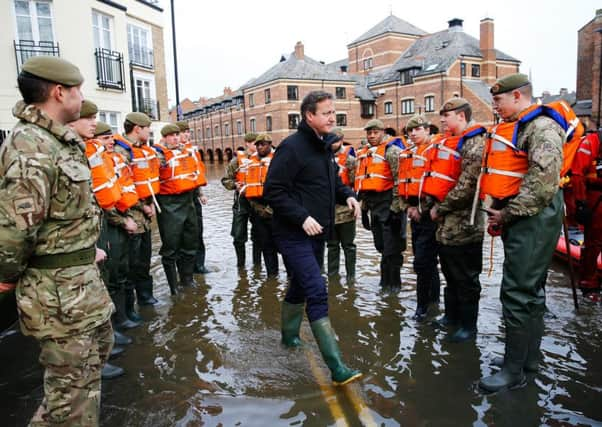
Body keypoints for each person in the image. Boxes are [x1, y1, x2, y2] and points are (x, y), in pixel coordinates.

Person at [0, 56, 114, 425]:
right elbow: (15, 232)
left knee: (80, 383)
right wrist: (9, 277)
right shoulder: (30, 145)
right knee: (72, 398)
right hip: (60, 299)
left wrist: (83, 250)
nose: (83, 99)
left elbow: (62, 214)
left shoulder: (58, 140)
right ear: (59, 92)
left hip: (80, 288)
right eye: (79, 90)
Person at [264, 90, 362, 386]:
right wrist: (302, 216)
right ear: (309, 116)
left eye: (334, 112)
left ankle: (289, 337)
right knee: (317, 288)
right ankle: (337, 369)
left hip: (317, 232)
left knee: (302, 285)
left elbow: (332, 182)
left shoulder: (323, 147)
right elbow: (273, 192)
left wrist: (349, 196)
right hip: (293, 233)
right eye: (326, 113)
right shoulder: (292, 148)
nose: (332, 117)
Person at [477, 74, 564, 393]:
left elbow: (542, 183)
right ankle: (528, 360)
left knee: (517, 291)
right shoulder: (523, 126)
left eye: (498, 100)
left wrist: (506, 213)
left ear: (517, 96)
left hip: (532, 217)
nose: (495, 106)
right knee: (530, 290)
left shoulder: (539, 127)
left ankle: (513, 371)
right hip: (525, 215)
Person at [68, 101, 128, 378]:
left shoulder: (83, 152)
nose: (95, 123)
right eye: (89, 118)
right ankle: (90, 364)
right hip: (70, 248)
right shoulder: (68, 153)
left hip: (91, 232)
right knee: (79, 308)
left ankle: (99, 354)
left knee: (96, 297)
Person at [428, 98, 486, 342]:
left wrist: (440, 208)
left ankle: (468, 327)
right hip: (447, 226)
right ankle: (451, 317)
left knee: (466, 278)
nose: (442, 120)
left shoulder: (475, 144)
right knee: (450, 274)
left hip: (466, 224)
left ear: (461, 116)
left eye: (447, 115)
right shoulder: (451, 142)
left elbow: (467, 187)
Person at [94, 121, 139, 346]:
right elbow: (103, 202)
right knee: (109, 276)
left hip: (118, 223)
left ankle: (120, 320)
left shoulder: (109, 162)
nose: (110, 142)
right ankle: (112, 328)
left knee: (121, 271)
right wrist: (123, 221)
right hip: (106, 227)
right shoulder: (94, 162)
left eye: (111, 138)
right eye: (104, 139)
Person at [114, 112, 160, 312]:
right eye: (148, 127)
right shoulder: (121, 152)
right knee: (130, 265)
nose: (150, 131)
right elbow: (123, 187)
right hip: (131, 216)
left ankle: (145, 297)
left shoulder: (143, 150)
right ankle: (129, 310)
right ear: (137, 128)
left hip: (145, 217)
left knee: (143, 260)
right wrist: (144, 206)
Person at [398, 115, 441, 320]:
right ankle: (433, 300)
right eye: (410, 130)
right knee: (424, 261)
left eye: (417, 129)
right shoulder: (407, 154)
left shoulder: (437, 151)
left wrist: (420, 208)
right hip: (415, 215)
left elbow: (439, 185)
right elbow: (403, 184)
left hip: (431, 215)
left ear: (427, 130)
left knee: (423, 262)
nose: (413, 133)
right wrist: (408, 206)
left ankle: (423, 306)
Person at [355, 119, 405, 291]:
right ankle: (385, 283)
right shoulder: (366, 154)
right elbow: (365, 185)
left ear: (382, 132)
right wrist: (363, 210)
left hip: (389, 203)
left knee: (392, 248)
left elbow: (400, 180)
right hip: (373, 205)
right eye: (369, 133)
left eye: (375, 132)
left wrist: (396, 209)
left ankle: (393, 285)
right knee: (381, 246)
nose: (372, 136)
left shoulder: (392, 152)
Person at [153, 124, 199, 293]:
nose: (175, 138)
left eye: (177, 135)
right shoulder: (158, 154)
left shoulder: (185, 152)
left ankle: (187, 279)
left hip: (188, 201)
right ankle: (173, 288)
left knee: (190, 242)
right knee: (171, 246)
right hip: (169, 204)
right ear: (164, 138)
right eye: (171, 136)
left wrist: (199, 193)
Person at [221, 133, 261, 268]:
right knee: (238, 236)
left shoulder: (264, 160)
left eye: (259, 143)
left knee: (259, 235)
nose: (256, 146)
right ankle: (241, 266)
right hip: (241, 201)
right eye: (253, 143)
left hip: (258, 202)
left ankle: (257, 265)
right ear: (247, 144)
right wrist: (235, 185)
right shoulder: (236, 161)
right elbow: (226, 180)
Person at [572, 125, 602, 302]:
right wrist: (581, 203)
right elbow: (577, 174)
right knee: (594, 242)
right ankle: (588, 283)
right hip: (594, 196)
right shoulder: (591, 142)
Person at [243, 133, 279, 277]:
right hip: (258, 210)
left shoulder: (279, 161)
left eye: (263, 144)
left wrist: (271, 209)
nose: (259, 147)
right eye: (257, 144)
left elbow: (287, 188)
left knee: (283, 244)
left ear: (270, 145)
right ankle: (272, 276)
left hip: (277, 210)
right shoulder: (250, 162)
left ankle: (290, 276)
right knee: (266, 245)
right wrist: (258, 208)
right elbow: (247, 187)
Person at [177, 120, 210, 274]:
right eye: (183, 132)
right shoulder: (171, 152)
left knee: (198, 230)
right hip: (179, 198)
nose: (186, 135)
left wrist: (201, 193)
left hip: (193, 196)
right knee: (183, 234)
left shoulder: (193, 151)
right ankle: (185, 269)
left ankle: (199, 265)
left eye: (187, 131)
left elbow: (196, 175)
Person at [327, 127, 357, 280]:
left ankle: (351, 278)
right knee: (332, 246)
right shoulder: (323, 158)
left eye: (337, 140)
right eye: (331, 140)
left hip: (346, 208)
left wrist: (353, 201)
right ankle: (333, 278)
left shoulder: (350, 160)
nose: (333, 144)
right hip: (328, 209)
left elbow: (353, 183)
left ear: (341, 140)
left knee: (348, 245)